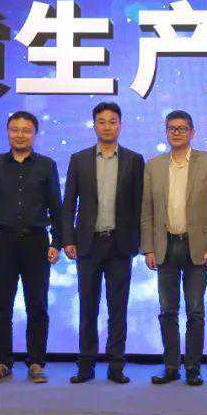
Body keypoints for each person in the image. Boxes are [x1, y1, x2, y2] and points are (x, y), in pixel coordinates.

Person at [141, 110, 207, 386]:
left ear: (192, 132)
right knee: (167, 310)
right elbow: (146, 211)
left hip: (197, 246)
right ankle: (170, 367)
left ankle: (193, 368)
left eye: (182, 128)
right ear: (166, 132)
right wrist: (148, 248)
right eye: (171, 128)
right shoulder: (154, 166)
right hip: (164, 245)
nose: (176, 133)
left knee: (195, 311)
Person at [61, 102, 145, 384]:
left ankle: (116, 366)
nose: (107, 126)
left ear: (120, 125)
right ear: (94, 125)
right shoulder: (79, 159)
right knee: (88, 307)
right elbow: (69, 202)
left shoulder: (134, 160)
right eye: (101, 121)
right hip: (88, 243)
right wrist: (68, 238)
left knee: (118, 308)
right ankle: (85, 366)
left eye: (112, 121)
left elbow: (140, 205)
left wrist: (140, 241)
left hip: (120, 244)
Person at [0, 111, 62, 384]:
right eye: (15, 129)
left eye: (26, 130)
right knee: (1, 305)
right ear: (8, 132)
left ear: (35, 134)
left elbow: (56, 205)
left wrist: (57, 241)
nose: (20, 135)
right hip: (2, 240)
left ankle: (36, 362)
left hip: (36, 241)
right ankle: (2, 362)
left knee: (37, 304)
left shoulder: (47, 165)